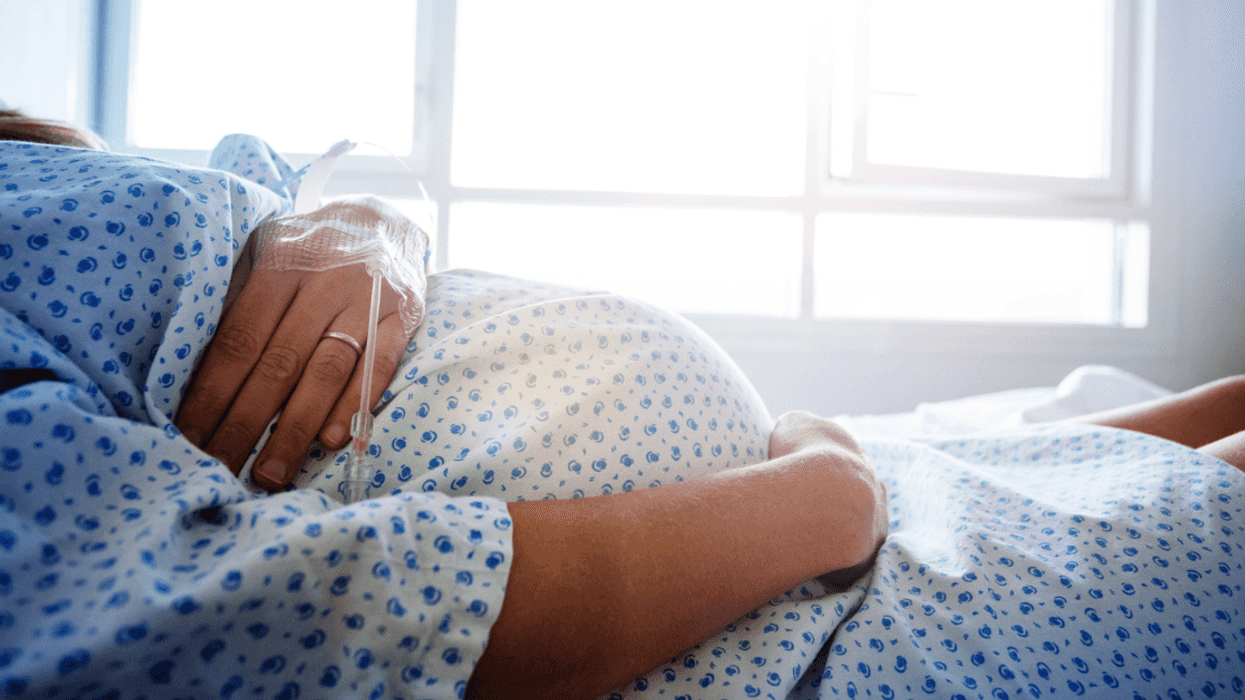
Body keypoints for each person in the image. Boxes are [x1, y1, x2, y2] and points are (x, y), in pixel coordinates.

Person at [1, 111, 1241, 700]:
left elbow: (245, 195)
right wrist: (826, 500)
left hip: (812, 507)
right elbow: (334, 617)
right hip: (800, 612)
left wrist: (367, 224)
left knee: (1202, 415)